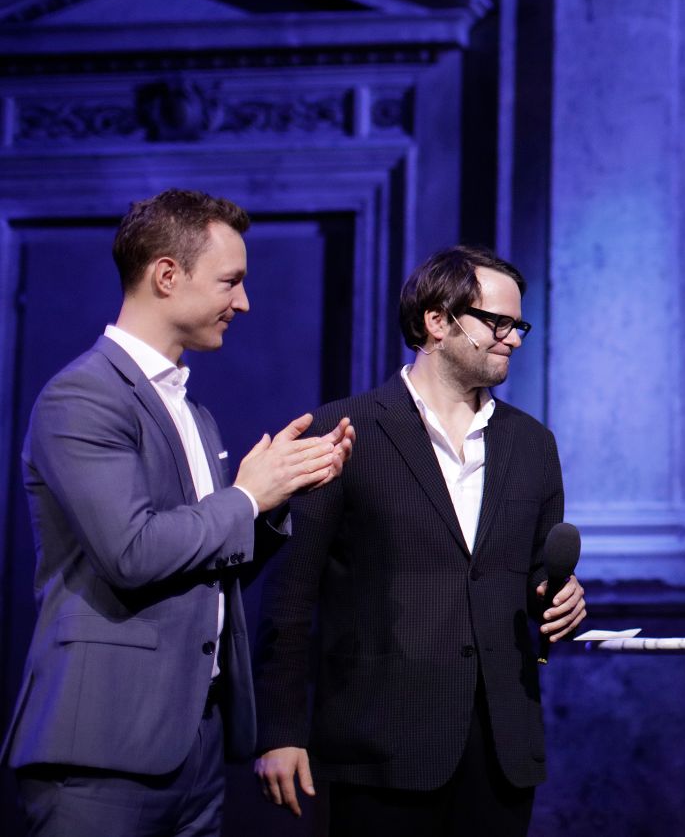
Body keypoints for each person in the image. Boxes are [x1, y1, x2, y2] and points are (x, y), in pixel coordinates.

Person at [2, 189, 354, 837]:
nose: (243, 302)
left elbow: (205, 568)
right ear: (167, 275)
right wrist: (248, 495)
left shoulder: (194, 412)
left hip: (195, 747)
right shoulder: (82, 396)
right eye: (231, 281)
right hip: (103, 749)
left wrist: (279, 497)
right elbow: (132, 553)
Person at [251, 245, 586, 837]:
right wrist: (281, 730)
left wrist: (559, 599)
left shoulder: (533, 444)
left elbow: (536, 573)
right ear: (437, 321)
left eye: (519, 325)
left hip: (499, 748)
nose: (512, 338)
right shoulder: (344, 428)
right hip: (380, 743)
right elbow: (290, 596)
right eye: (497, 322)